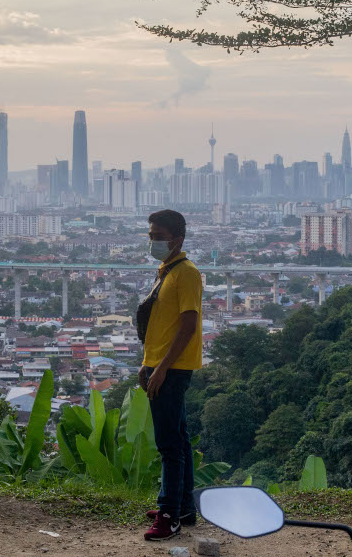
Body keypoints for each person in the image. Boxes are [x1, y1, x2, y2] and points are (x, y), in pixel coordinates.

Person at [139, 209, 203, 541]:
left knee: (168, 445)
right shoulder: (168, 269)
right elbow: (161, 324)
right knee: (179, 438)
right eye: (150, 236)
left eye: (158, 236)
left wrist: (160, 368)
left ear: (177, 238)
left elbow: (188, 325)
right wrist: (147, 362)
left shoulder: (186, 273)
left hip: (172, 369)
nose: (152, 241)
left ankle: (169, 515)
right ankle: (183, 507)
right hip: (160, 364)